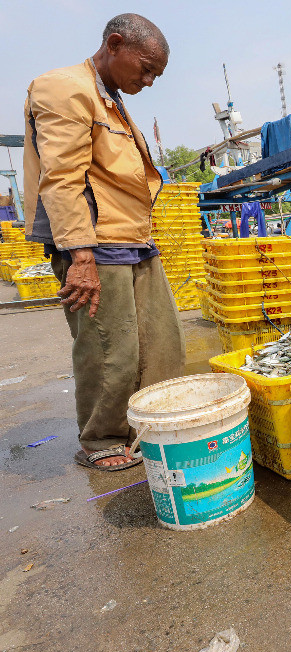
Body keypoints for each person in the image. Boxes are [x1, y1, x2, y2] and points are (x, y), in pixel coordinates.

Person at [23, 13, 184, 470]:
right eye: (146, 68)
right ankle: (103, 439)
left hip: (132, 239)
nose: (149, 81)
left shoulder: (109, 96)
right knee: (110, 349)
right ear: (115, 44)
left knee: (162, 346)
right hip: (94, 245)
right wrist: (81, 258)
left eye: (157, 74)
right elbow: (62, 179)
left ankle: (146, 429)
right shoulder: (65, 88)